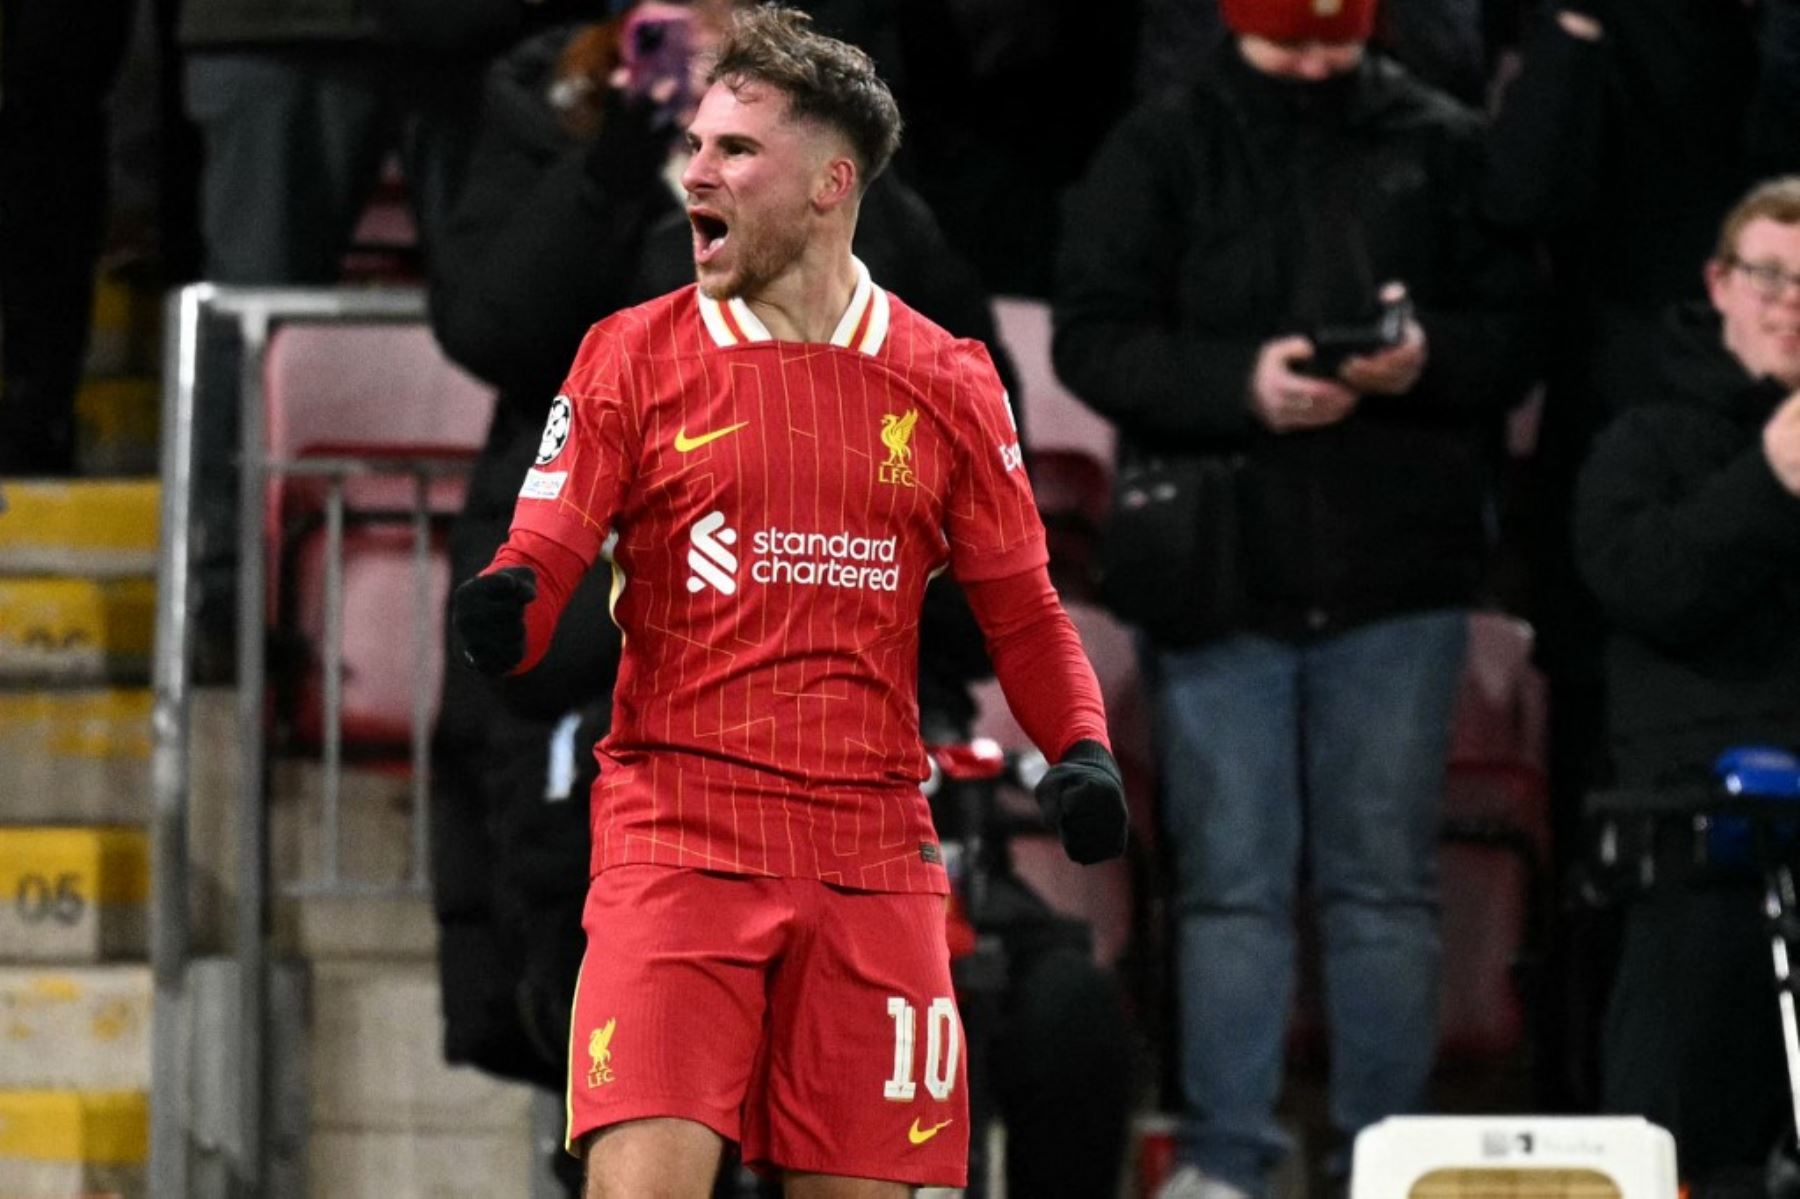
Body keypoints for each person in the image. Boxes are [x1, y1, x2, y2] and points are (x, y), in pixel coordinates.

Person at [448, 8, 1130, 1195]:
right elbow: (545, 518)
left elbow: (1021, 609)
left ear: (831, 184)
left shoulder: (950, 377)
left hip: (872, 853)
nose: (694, 172)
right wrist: (518, 590)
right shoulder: (627, 349)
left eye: (733, 152)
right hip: (676, 838)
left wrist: (1079, 744)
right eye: (693, 143)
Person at [1053, 0, 1541, 1194]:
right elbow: (1094, 339)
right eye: (1293, 42)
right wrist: (1243, 384)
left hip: (1400, 568)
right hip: (1225, 577)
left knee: (1385, 885)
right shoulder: (1163, 143)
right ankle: (1230, 1158)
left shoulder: (1441, 139)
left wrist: (1426, 359)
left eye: (1339, 40)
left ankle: (1391, 1160)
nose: (1320, 63)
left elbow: (1518, 331)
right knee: (1233, 890)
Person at [1571, 175, 1800, 1191]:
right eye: (1769, 276)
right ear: (1720, 283)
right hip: (1696, 834)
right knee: (1673, 1145)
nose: (1790, 301)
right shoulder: (1643, 440)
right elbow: (1649, 585)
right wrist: (1771, 476)